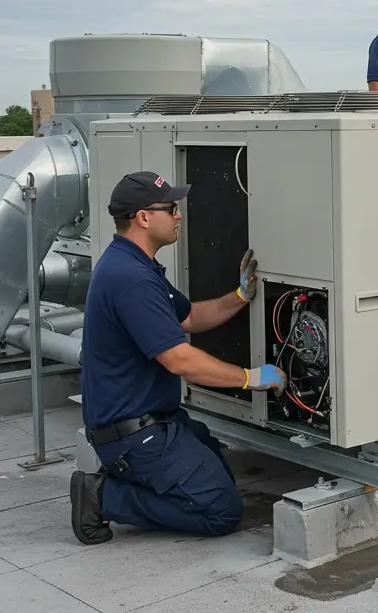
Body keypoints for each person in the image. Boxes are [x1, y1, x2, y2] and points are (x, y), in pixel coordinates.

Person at [71, 171, 285, 545]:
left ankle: (133, 481)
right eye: (170, 208)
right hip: (134, 435)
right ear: (143, 217)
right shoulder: (130, 278)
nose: (179, 216)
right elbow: (180, 361)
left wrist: (240, 295)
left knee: (219, 470)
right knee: (221, 511)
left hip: (153, 421)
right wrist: (252, 378)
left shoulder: (137, 265)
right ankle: (103, 496)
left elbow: (188, 318)